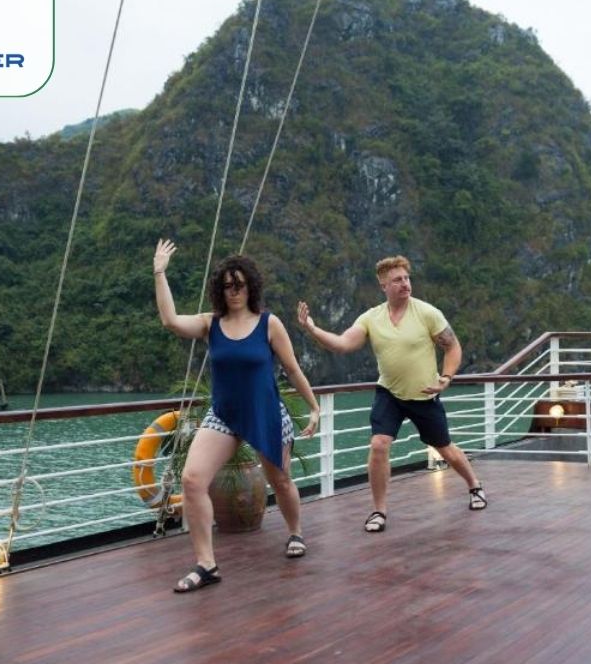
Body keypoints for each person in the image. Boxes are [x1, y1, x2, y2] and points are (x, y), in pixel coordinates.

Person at [154, 239, 319, 592]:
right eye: (228, 285)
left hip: (265, 412)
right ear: (220, 289)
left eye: (240, 284)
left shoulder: (269, 324)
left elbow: (292, 369)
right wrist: (159, 273)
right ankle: (206, 564)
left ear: (251, 286)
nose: (234, 291)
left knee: (281, 481)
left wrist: (314, 407)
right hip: (224, 415)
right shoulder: (210, 323)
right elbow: (170, 321)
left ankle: (295, 532)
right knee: (192, 479)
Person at [297, 255, 486, 533]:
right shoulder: (371, 318)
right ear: (383, 285)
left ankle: (474, 485)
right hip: (390, 394)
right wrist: (312, 329)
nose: (405, 284)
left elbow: (452, 347)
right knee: (378, 444)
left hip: (424, 395)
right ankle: (379, 510)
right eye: (397, 280)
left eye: (407, 278)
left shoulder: (427, 313)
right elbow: (342, 344)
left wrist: (445, 378)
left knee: (445, 447)